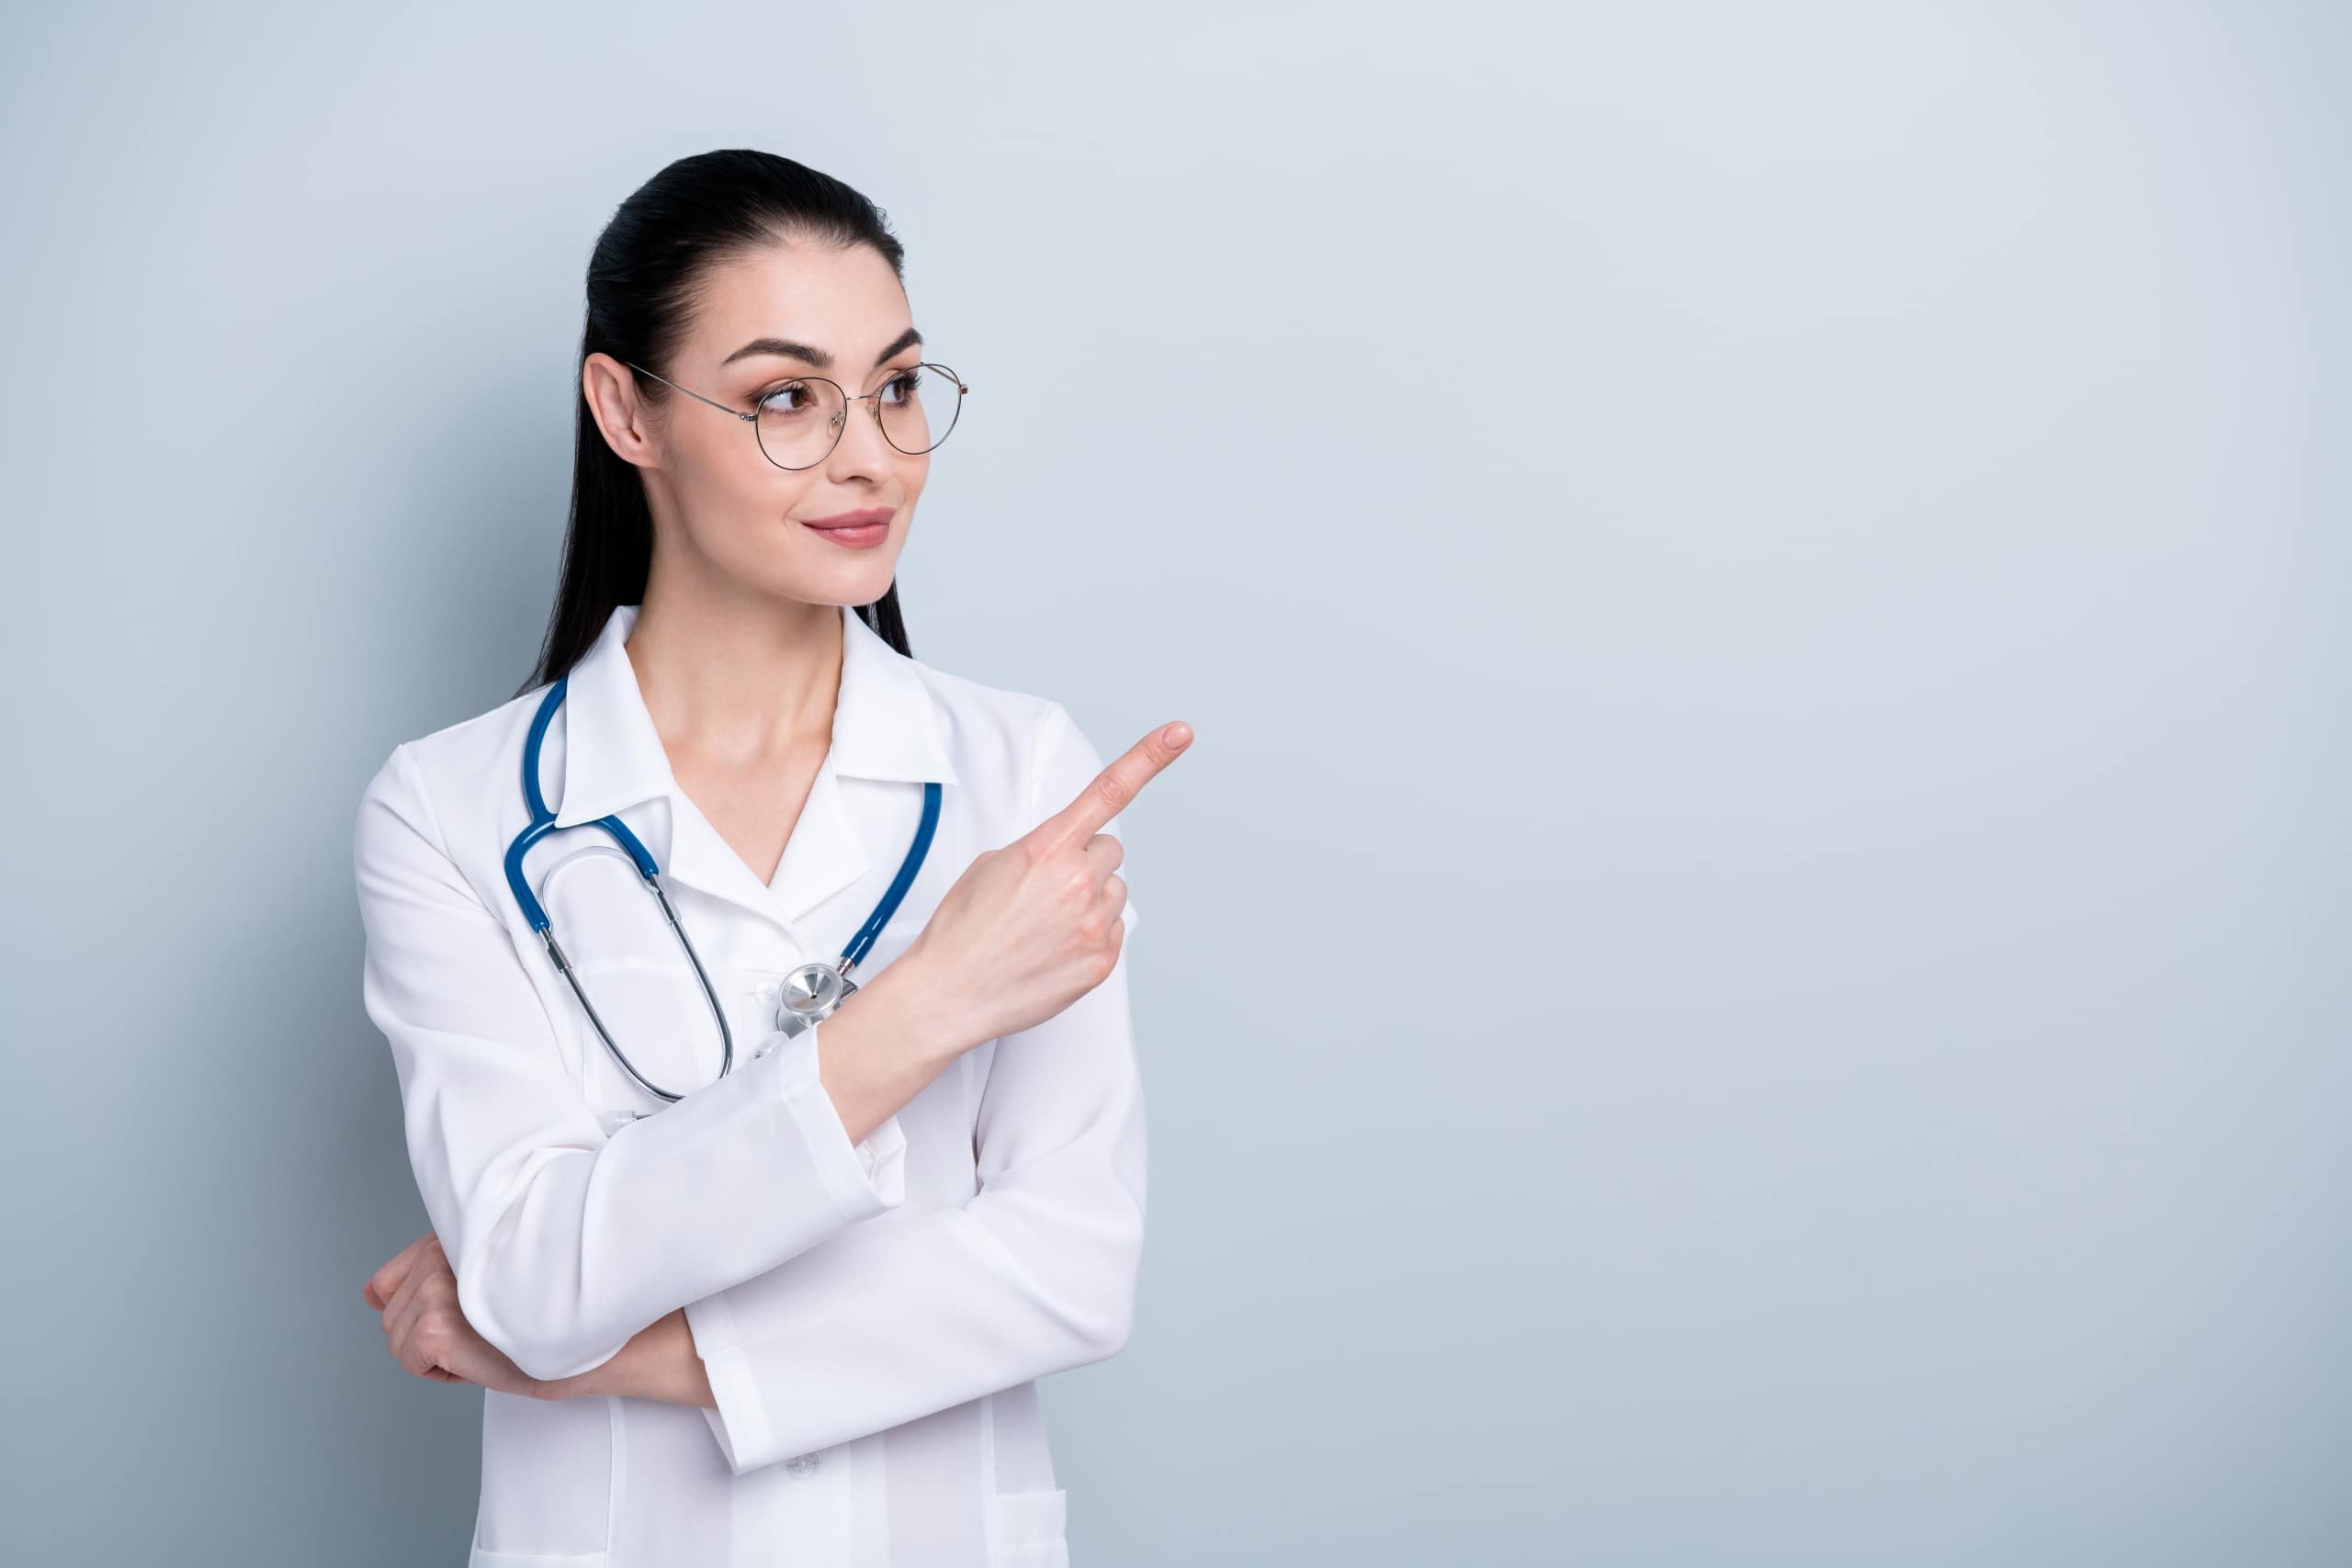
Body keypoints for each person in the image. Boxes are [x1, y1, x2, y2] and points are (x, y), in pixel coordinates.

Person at [350, 148, 1190, 1568]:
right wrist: (925, 1009)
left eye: (901, 386)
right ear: (628, 409)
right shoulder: (453, 809)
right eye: (785, 397)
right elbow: (535, 1272)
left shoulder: (1020, 773)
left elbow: (1069, 1273)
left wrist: (602, 1355)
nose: (871, 455)